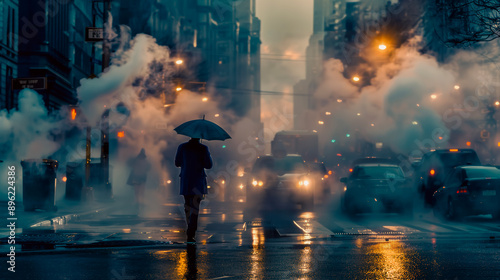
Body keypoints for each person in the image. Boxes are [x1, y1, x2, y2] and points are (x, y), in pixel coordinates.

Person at [175, 138, 213, 243]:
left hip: (186, 180)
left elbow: (177, 163)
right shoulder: (203, 148)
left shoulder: (182, 147)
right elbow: (209, 165)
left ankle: (190, 227)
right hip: (198, 181)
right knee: (195, 207)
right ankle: (191, 231)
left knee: (187, 205)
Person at [127, 148, 151, 214]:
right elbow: (148, 168)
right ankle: (140, 202)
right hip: (142, 177)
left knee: (137, 191)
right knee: (141, 191)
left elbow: (130, 165)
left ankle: (138, 202)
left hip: (136, 176)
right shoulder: (145, 161)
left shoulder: (136, 160)